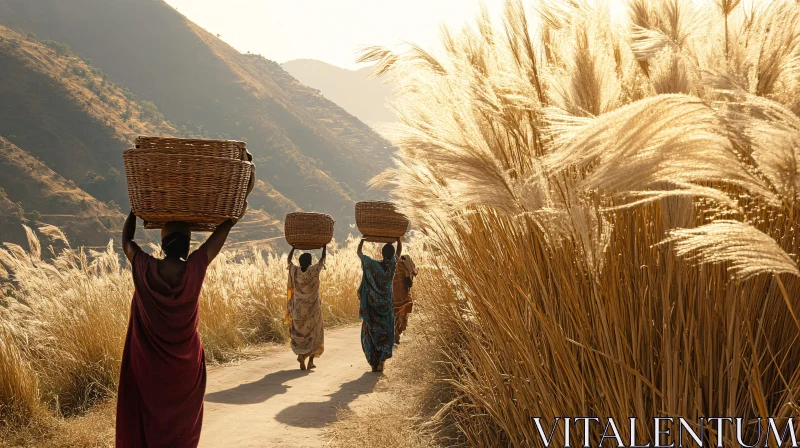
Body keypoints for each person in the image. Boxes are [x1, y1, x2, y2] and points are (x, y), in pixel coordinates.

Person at [116, 209, 242, 448]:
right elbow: (220, 235)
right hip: (186, 365)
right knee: (183, 423)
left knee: (149, 415)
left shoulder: (143, 266)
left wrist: (133, 211)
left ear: (163, 245)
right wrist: (232, 214)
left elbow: (127, 242)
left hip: (148, 364)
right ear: (187, 246)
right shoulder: (195, 266)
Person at [357, 237, 402, 372]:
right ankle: (382, 359)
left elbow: (359, 253)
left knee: (369, 332)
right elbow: (399, 252)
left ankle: (373, 362)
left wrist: (362, 241)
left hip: (371, 307)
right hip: (386, 305)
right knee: (386, 331)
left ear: (382, 254)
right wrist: (398, 240)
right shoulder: (392, 265)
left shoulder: (371, 265)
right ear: (391, 255)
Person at [286, 245, 327, 370]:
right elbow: (322, 260)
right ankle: (309, 361)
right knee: (314, 333)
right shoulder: (313, 271)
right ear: (310, 262)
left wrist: (293, 248)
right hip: (312, 309)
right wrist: (324, 247)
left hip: (298, 309)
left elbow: (289, 261)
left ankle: (301, 355)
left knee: (300, 333)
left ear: (300, 262)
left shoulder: (295, 271)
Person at [392, 254, 418, 345]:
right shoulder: (406, 267)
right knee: (406, 306)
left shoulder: (387, 266)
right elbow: (413, 275)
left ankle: (394, 331)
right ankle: (398, 331)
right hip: (403, 299)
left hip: (390, 299)